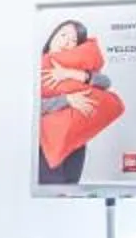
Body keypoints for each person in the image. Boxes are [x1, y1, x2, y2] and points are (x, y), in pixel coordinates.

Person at [36, 19, 123, 187]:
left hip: (75, 143)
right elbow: (31, 106)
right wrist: (67, 100)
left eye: (73, 40)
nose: (66, 42)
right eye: (63, 35)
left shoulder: (75, 66)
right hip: (47, 144)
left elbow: (105, 82)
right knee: (52, 193)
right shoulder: (36, 65)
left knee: (70, 192)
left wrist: (71, 74)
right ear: (52, 36)